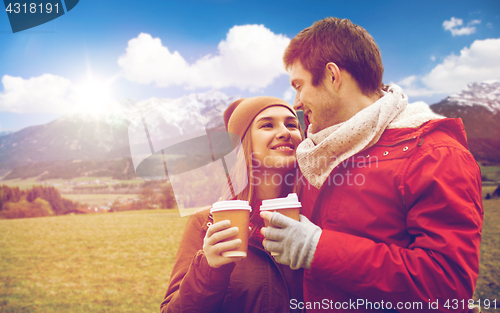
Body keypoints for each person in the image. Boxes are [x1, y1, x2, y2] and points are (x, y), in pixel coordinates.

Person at [260, 17, 483, 312]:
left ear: (332, 77)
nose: (297, 102)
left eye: (299, 86)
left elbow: (447, 287)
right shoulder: (317, 155)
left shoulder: (435, 155)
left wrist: (317, 249)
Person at [160, 96, 305, 313]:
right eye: (267, 125)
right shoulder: (206, 222)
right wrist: (209, 268)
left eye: (292, 124)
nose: (285, 131)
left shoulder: (316, 214)